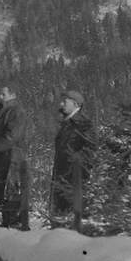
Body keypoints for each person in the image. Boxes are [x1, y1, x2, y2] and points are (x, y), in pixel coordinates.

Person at [0, 85, 30, 229]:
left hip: (13, 156)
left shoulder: (16, 111)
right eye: (0, 94)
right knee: (2, 188)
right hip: (3, 156)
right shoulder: (3, 110)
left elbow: (13, 135)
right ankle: (7, 221)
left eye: (3, 94)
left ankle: (14, 222)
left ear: (13, 94)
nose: (0, 97)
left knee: (12, 188)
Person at [51, 90, 94, 227]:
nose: (61, 104)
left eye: (65, 101)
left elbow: (91, 150)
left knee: (71, 223)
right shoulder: (66, 125)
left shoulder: (83, 124)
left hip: (74, 181)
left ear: (75, 104)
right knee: (60, 222)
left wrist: (74, 168)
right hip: (61, 179)